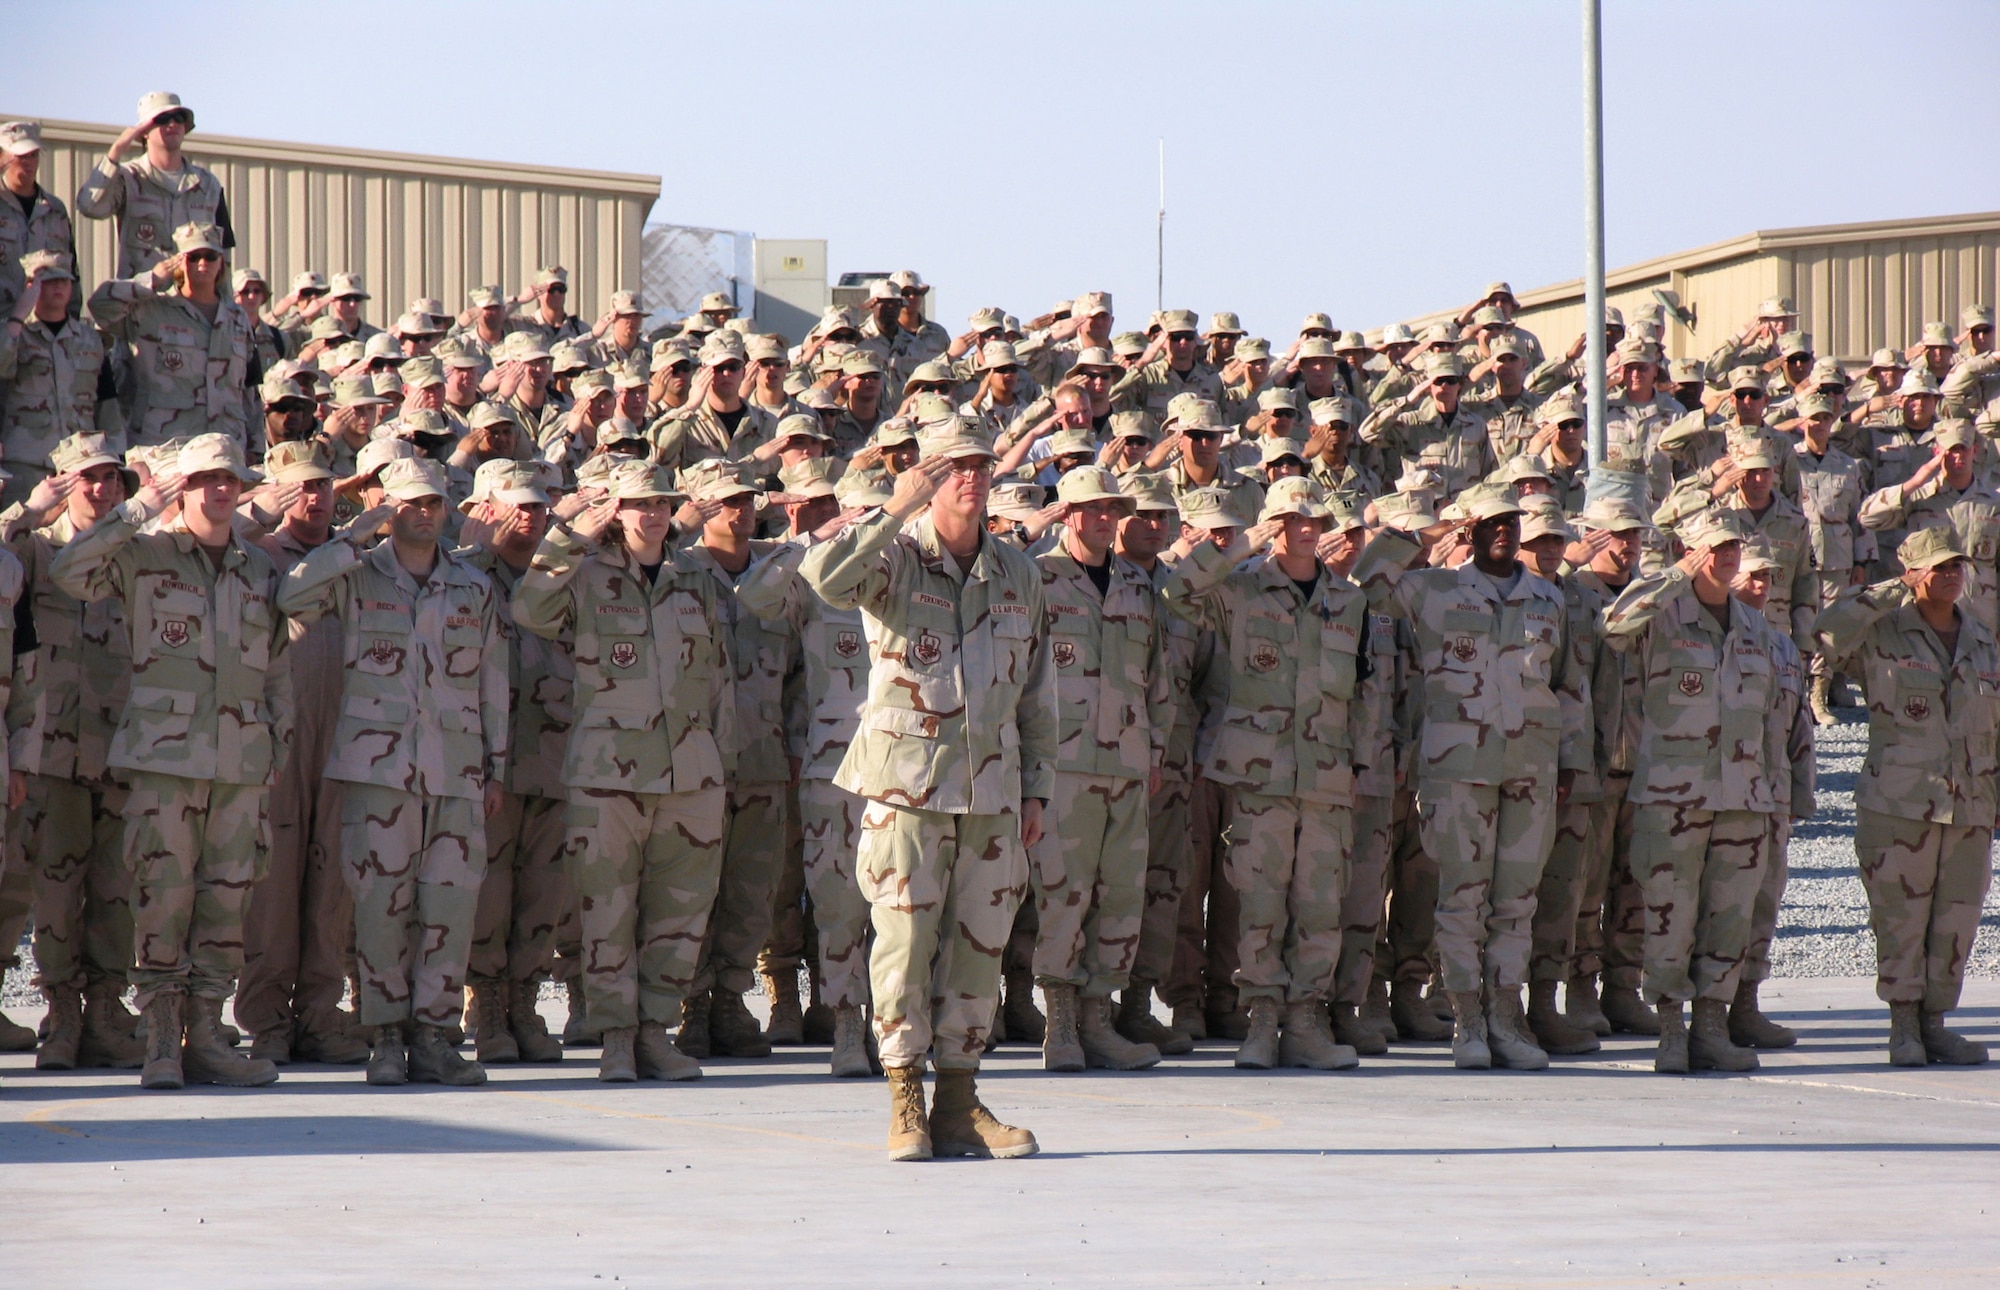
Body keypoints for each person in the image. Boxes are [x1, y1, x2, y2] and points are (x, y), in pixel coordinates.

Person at [800, 418, 1053, 1162]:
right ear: (929, 474)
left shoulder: (1019, 574)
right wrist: (894, 508)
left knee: (979, 950)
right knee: (904, 948)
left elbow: (1039, 692)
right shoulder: (896, 560)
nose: (969, 477)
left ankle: (958, 1101)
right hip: (908, 791)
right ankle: (904, 1098)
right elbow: (823, 578)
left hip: (993, 794)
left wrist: (1035, 788)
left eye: (979, 463)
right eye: (952, 465)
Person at [50, 433, 293, 1090]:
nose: (221, 490)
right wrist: (133, 509)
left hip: (241, 763)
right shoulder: (145, 554)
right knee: (163, 895)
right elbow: (67, 573)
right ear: (182, 488)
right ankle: (160, 1035)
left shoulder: (258, 569)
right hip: (165, 760)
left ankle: (207, 1035)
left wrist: (278, 743)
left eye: (230, 480)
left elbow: (275, 667)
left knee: (226, 901)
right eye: (206, 479)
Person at [276, 457, 510, 1088]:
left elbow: (493, 681)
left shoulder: (471, 585)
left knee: (450, 907)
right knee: (380, 906)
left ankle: (434, 1038)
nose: (425, 514)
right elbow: (290, 596)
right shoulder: (356, 576)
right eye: (410, 504)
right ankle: (383, 1036)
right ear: (387, 507)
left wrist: (496, 769)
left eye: (434, 503)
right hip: (378, 774)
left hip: (457, 774)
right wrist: (353, 536)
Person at [513, 458, 733, 1083]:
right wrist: (569, 532)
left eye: (663, 502)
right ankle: (613, 1037)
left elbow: (717, 675)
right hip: (607, 774)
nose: (654, 513)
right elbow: (529, 610)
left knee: (679, 913)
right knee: (607, 910)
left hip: (690, 774)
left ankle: (653, 1033)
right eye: (640, 504)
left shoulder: (695, 577)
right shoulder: (582, 574)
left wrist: (723, 763)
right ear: (617, 511)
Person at [1354, 482, 1586, 1071]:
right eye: (1490, 522)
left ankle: (1507, 1017)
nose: (1503, 530)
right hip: (1458, 770)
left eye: (1511, 520)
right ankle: (1467, 1019)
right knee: (1461, 900)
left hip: (1529, 769)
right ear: (1471, 531)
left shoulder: (1547, 598)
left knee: (1517, 901)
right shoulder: (1435, 589)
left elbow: (1565, 685)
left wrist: (1569, 761)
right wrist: (1430, 531)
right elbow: (1369, 579)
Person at [1162, 475, 1383, 1070]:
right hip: (1259, 778)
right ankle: (1259, 1020)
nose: (1305, 530)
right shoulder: (1239, 591)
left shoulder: (1351, 601)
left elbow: (1367, 694)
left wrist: (1362, 764)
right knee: (1259, 903)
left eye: (1312, 520)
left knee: (1318, 905)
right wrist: (1235, 547)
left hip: (1327, 778)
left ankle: (1306, 1021)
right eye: (1290, 521)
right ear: (1274, 527)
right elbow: (1177, 594)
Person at [1600, 509, 1793, 1074]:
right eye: (1716, 547)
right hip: (1672, 799)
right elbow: (1613, 626)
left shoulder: (1757, 629)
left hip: (1743, 800)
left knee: (1728, 917)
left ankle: (1711, 1026)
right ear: (1692, 552)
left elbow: (1770, 724)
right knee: (1668, 916)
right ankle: (1670, 1030)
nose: (1727, 556)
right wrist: (1673, 574)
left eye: (1734, 546)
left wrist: (1776, 796)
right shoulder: (1663, 615)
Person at [1815, 528, 1998, 1066]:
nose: (1950, 575)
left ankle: (1936, 1023)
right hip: (1898, 805)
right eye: (1938, 567)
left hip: (1970, 805)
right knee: (1900, 918)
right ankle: (1903, 1026)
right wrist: (1891, 591)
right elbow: (1825, 634)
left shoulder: (1983, 639)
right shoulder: (1882, 631)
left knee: (1956, 920)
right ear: (1913, 572)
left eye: (1956, 566)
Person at [1027, 466, 1170, 1073]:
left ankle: (1097, 1020)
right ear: (1068, 514)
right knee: (1063, 894)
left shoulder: (1138, 585)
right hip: (1062, 766)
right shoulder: (1038, 578)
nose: (1107, 519)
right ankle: (1060, 1025)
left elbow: (1157, 679)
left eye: (1114, 509)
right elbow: (1022, 677)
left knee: (1121, 896)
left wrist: (1155, 751)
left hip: (1128, 764)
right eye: (1094, 509)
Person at [233, 441, 370, 1066]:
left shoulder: (362, 559)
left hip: (345, 736)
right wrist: (260, 507)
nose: (313, 498)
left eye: (323, 487)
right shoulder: (258, 554)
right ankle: (265, 1018)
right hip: (281, 737)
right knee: (273, 883)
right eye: (300, 488)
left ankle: (319, 1014)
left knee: (331, 884)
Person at [3, 436, 137, 1068]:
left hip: (121, 747)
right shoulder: (31, 549)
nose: (100, 488)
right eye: (86, 478)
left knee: (116, 889)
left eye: (111, 478)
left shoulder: (134, 553)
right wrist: (26, 512)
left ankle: (108, 1013)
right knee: (55, 890)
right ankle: (62, 1016)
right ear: (61, 481)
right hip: (52, 750)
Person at [677, 459, 804, 1062]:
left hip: (763, 758)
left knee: (751, 890)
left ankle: (730, 998)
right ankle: (691, 1003)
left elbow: (802, 676)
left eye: (747, 498)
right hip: (691, 762)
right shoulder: (680, 572)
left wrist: (797, 746)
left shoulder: (779, 577)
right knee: (691, 888)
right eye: (725, 499)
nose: (740, 508)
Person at [457, 461, 572, 1065]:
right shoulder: (467, 573)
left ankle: (525, 1004)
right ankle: (490, 1007)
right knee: (489, 889)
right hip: (489, 758)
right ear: (490, 509)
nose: (531, 515)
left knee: (543, 891)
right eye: (519, 505)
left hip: (554, 752)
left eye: (540, 506)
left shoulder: (564, 574)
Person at [1110, 473, 1208, 1057]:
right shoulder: (1084, 582)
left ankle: (1139, 1003)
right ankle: (1080, 1008)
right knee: (1093, 886)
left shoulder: (1182, 591)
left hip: (1169, 763)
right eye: (1142, 514)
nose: (1154, 525)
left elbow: (1206, 678)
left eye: (1163, 516)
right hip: (1097, 760)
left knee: (1164, 885)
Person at [1728, 536, 1817, 1051]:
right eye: (1751, 576)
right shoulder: (1701, 634)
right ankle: (1701, 1014)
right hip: (1716, 797)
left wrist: (1799, 797)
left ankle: (1746, 1005)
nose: (1761, 587)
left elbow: (1799, 730)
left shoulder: (1782, 646)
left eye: (1767, 578)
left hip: (1771, 800)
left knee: (1763, 905)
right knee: (1711, 909)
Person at [88, 222, 253, 449]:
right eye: (194, 256)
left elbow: (247, 387)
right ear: (180, 261)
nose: (203, 263)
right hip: (165, 447)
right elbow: (100, 305)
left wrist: (255, 446)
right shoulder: (151, 310)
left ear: (221, 262)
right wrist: (151, 279)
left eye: (210, 256)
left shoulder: (237, 318)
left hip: (223, 447)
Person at [73, 92, 232, 280]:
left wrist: (226, 304)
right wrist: (116, 151)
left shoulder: (207, 183)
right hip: (143, 300)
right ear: (144, 131)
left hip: (191, 303)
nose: (172, 124)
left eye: (179, 117)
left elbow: (222, 251)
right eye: (162, 119)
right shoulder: (127, 177)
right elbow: (89, 206)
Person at [1, 251, 112, 508]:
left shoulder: (89, 339)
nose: (59, 286)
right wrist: (18, 316)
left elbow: (106, 400)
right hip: (26, 462)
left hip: (80, 465)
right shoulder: (12, 335)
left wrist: (113, 449)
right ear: (30, 285)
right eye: (49, 281)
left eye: (64, 280)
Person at [0, 122, 77, 321]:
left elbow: (71, 269)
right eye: (21, 156)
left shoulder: (54, 209)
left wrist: (72, 321)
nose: (29, 162)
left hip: (43, 331)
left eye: (33, 155)